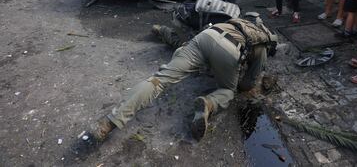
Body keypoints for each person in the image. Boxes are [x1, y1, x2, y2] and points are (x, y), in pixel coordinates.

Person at [73, 18, 278, 155]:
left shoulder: (237, 21)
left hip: (206, 36)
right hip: (230, 52)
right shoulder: (262, 45)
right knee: (228, 91)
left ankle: (107, 124)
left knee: (158, 80)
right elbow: (247, 84)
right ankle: (208, 104)